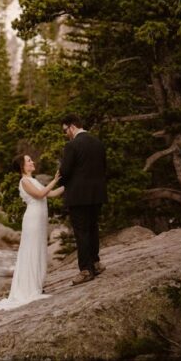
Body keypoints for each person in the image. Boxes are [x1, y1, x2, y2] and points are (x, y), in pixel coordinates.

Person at [0, 154, 63, 310]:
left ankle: (36, 284)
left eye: (31, 160)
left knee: (38, 250)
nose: (32, 162)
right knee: (30, 250)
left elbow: (50, 194)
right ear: (22, 166)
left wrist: (68, 185)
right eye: (29, 161)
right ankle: (28, 288)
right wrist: (55, 180)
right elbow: (40, 194)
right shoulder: (24, 181)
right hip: (32, 220)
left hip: (39, 219)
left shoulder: (33, 180)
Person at [58, 113, 107, 285]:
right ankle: (96, 263)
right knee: (93, 228)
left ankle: (86, 270)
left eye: (65, 130)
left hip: (78, 196)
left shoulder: (72, 145)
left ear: (72, 126)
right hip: (97, 194)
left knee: (81, 232)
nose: (66, 134)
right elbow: (103, 168)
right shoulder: (98, 143)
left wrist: (61, 178)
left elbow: (64, 172)